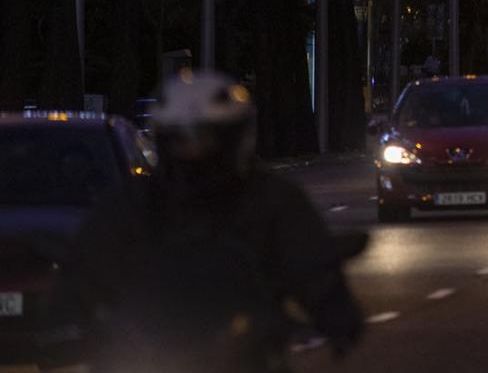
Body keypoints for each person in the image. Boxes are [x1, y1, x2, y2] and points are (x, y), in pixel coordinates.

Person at [56, 69, 364, 372]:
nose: (194, 152)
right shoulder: (131, 203)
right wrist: (70, 320)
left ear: (235, 140)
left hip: (246, 350)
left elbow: (309, 259)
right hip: (148, 347)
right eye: (182, 140)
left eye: (206, 139)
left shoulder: (271, 199)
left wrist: (335, 311)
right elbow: (87, 264)